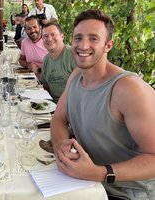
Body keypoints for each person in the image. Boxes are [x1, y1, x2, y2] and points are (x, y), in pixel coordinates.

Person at [51, 9, 155, 200]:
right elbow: (58, 119)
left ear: (108, 45)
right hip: (87, 183)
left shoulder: (128, 89)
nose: (83, 45)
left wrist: (98, 172)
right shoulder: (76, 76)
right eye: (78, 37)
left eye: (93, 38)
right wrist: (61, 148)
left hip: (128, 192)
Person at [40, 22, 76, 103]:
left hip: (72, 106)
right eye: (45, 36)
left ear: (62, 36)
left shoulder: (73, 55)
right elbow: (45, 85)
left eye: (53, 34)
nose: (49, 39)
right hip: (52, 105)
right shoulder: (46, 59)